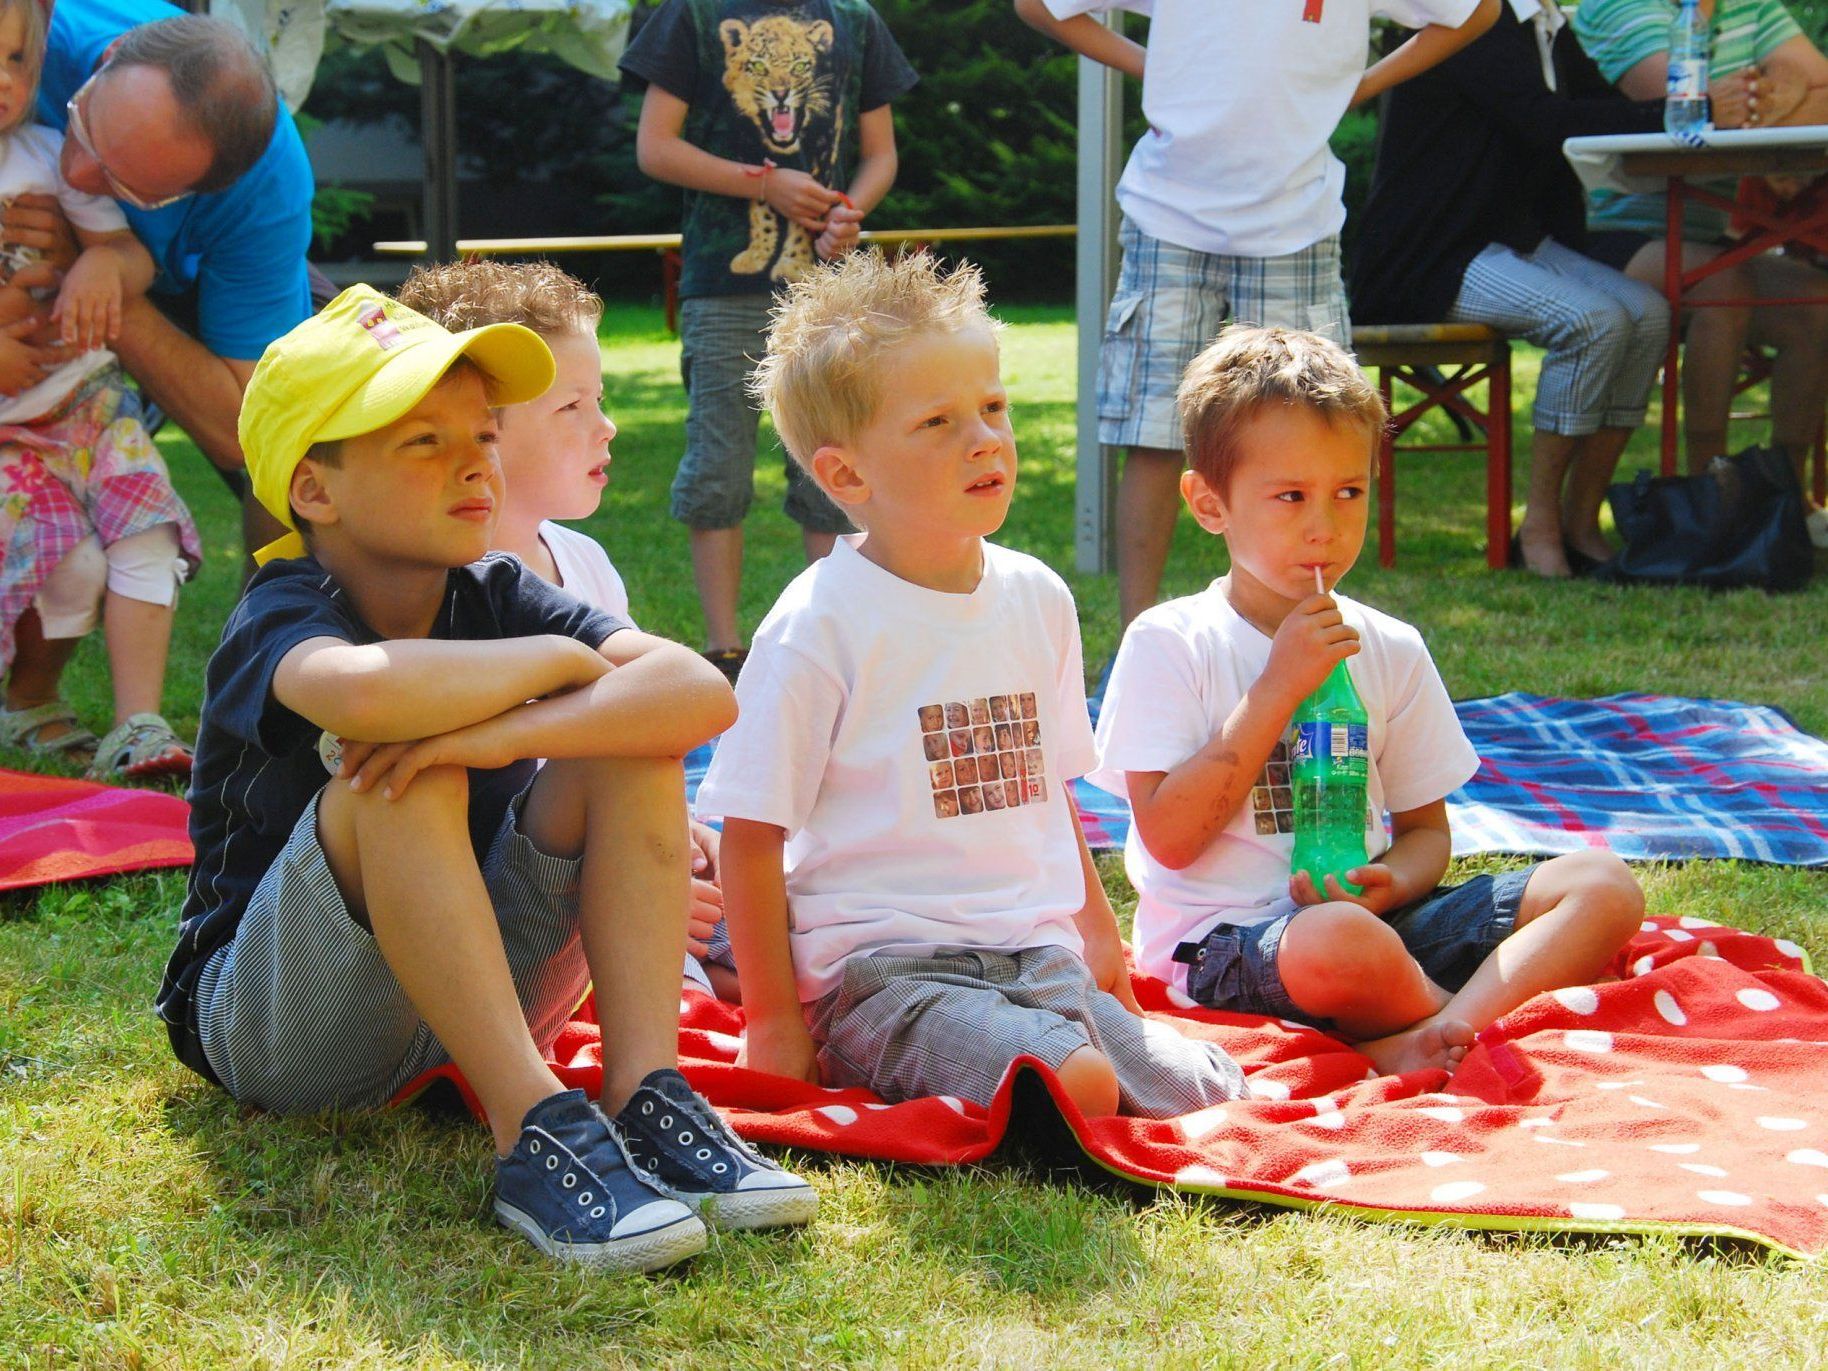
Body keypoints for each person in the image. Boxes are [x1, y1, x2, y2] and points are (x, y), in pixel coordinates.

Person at [154, 286, 816, 1273]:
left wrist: (500, 737)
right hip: (281, 1034)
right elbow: (365, 696)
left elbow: (694, 694)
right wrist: (556, 668)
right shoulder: (283, 606)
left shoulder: (492, 591)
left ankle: (647, 1094)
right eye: (423, 442)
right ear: (315, 490)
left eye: (482, 433)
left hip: (474, 997)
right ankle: (530, 1128)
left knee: (624, 740)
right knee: (394, 775)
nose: (475, 460)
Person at [700, 251, 1248, 1119]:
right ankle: (903, 1052)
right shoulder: (821, 623)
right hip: (882, 976)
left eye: (993, 407)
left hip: (1037, 960)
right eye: (939, 422)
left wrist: (1100, 942)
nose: (986, 438)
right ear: (846, 476)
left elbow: (1049, 790)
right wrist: (772, 1021)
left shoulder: (1037, 597)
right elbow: (751, 833)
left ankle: (1057, 1039)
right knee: (1073, 1087)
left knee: (1205, 1090)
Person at [1090, 326, 1645, 1076]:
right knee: (1334, 940)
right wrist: (1276, 686)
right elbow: (1170, 838)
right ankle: (1457, 1013)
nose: (1325, 525)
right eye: (1290, 496)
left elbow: (1423, 831)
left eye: (1348, 491)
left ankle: (1439, 1028)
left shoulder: (1390, 645)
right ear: (1209, 503)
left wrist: (1397, 881)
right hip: (1228, 948)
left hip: (1376, 924)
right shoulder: (1172, 640)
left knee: (1600, 884)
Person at [1015, 0, 1499, 630]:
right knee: (1152, 434)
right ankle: (1140, 640)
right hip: (1170, 215)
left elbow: (1477, 10)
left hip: (1294, 222)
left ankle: (1301, 644)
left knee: (1315, 439)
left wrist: (1365, 82)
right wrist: (1150, 65)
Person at [396, 257, 740, 1001]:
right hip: (534, 903)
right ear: (479, 432)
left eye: (601, 399)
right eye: (572, 407)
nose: (607, 425)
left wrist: (684, 835)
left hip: (633, 845)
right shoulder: (439, 598)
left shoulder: (581, 561)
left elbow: (660, 716)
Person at [618, 0, 917, 681]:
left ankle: (832, 646)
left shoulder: (855, 19)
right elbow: (656, 146)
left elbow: (880, 154)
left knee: (835, 464)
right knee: (719, 467)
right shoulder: (692, 15)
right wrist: (764, 184)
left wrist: (850, 211)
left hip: (827, 290)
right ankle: (725, 650)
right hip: (723, 285)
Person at [1350, 0, 1671, 579]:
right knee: (1595, 321)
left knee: (1648, 313)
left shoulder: (1544, 25)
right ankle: (1540, 526)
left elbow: (1609, 110)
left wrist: (1693, 110)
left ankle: (1581, 519)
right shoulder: (1473, 17)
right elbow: (1545, 121)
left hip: (1505, 242)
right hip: (1424, 258)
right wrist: (1678, 117)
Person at [14, 2, 313, 561]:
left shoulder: (264, 188)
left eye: (123, 186)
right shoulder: (27, 33)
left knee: (307, 433)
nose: (75, 174)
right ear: (106, 61)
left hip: (180, 274)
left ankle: (276, 634)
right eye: (81, 126)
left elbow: (241, 430)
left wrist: (88, 264)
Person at [0, 0, 198, 777]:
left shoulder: (50, 154)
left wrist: (104, 263)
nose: (4, 80)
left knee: (146, 528)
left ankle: (138, 725)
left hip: (88, 402)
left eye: (17, 60)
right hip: (12, 430)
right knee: (72, 567)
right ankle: (31, 699)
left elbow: (128, 253)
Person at [1573, 0, 1828, 528]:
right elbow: (1677, 102)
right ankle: (1711, 499)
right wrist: (1786, 88)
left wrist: (1767, 94)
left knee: (1816, 304)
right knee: (1724, 286)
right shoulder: (1617, 6)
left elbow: (1819, 88)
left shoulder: (1749, 5)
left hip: (1707, 237)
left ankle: (1786, 501)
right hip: (1602, 233)